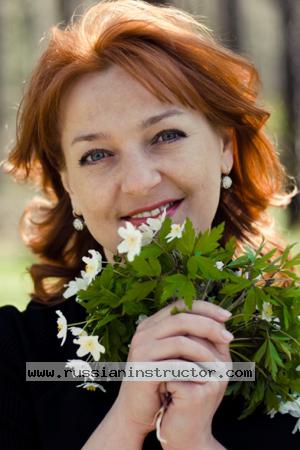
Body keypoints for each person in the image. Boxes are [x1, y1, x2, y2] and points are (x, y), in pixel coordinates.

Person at [0, 0, 299, 449]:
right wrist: (127, 420)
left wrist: (192, 442)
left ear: (225, 147)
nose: (140, 182)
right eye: (96, 155)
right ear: (69, 186)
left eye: (165, 136)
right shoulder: (16, 356)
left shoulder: (290, 341)